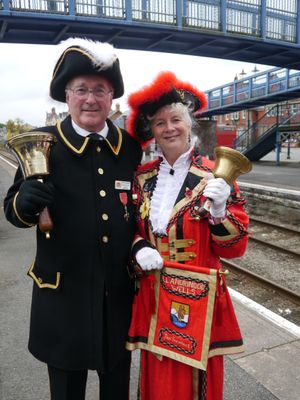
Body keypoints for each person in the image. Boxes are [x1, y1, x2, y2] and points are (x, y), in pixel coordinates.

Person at [4, 37, 142, 400]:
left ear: (111, 97)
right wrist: (25, 201)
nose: (90, 99)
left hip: (116, 298)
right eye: (81, 89)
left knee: (116, 390)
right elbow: (13, 212)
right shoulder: (41, 143)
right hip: (63, 298)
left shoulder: (129, 148)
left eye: (100, 89)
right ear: (67, 95)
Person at [125, 71, 249, 400]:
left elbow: (236, 248)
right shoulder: (141, 178)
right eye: (160, 122)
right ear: (151, 131)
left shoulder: (216, 177)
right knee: (158, 381)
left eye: (176, 119)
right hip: (155, 299)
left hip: (199, 302)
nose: (169, 128)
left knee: (197, 386)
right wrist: (138, 248)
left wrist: (221, 212)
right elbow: (128, 230)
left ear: (189, 123)